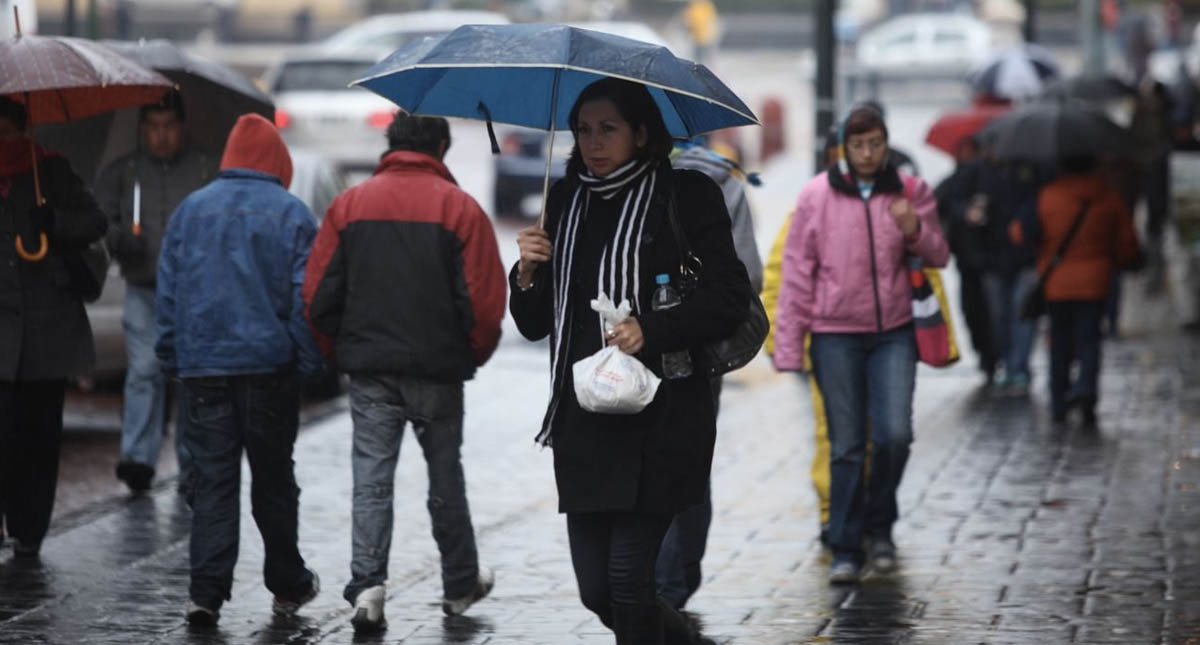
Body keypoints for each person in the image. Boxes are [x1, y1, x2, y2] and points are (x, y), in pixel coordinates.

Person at [510, 77, 750, 644]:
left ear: (642, 133)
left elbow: (728, 297)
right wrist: (526, 273)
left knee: (626, 580)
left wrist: (652, 329)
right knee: (598, 591)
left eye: (608, 129)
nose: (593, 143)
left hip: (661, 418)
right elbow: (534, 324)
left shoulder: (686, 196)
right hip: (584, 422)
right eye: (583, 130)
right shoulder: (565, 201)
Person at [303, 114, 505, 633]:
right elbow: (484, 305)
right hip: (438, 369)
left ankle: (368, 585)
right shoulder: (460, 209)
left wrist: (338, 350)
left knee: (371, 478)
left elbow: (318, 295)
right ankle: (459, 582)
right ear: (441, 147)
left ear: (391, 144)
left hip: (370, 368)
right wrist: (472, 354)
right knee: (445, 477)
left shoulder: (350, 205)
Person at [156, 114, 323, 626]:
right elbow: (305, 299)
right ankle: (288, 584)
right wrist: (307, 360)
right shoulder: (293, 215)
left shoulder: (190, 211)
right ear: (277, 162)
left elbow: (169, 292)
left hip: (204, 369)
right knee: (274, 481)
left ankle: (205, 593)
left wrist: (171, 355)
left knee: (212, 483)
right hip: (269, 369)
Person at [772, 105, 949, 584]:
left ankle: (880, 523)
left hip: (894, 332)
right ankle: (846, 545)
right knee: (847, 444)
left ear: (886, 144)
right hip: (834, 334)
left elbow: (939, 254)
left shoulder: (911, 191)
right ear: (843, 149)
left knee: (895, 435)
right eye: (857, 145)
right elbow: (796, 273)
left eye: (875, 144)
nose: (867, 154)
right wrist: (788, 346)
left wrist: (914, 229)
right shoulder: (816, 196)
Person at [654, 139, 763, 611]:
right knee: (688, 457)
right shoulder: (723, 176)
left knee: (667, 458)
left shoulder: (709, 183)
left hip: (684, 347)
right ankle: (674, 577)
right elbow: (749, 274)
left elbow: (740, 282)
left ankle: (666, 583)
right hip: (694, 347)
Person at [0, 96, 107, 557]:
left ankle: (30, 529)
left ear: (24, 131)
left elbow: (95, 221)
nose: (4, 141)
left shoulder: (51, 170)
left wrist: (56, 222)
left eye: (9, 132)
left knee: (39, 436)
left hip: (48, 332)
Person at [95, 89, 216, 493]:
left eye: (169, 127)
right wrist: (119, 241)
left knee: (189, 377)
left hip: (193, 294)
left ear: (182, 127)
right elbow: (100, 221)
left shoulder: (206, 170)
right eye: (153, 127)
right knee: (144, 371)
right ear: (142, 129)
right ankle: (138, 458)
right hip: (144, 289)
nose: (161, 136)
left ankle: (191, 461)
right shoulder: (125, 172)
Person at [1013, 155, 1141, 427]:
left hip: (1057, 283)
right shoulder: (1109, 198)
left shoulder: (1048, 196)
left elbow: (1020, 233)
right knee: (1090, 340)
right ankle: (1087, 392)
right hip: (1096, 282)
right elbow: (1127, 242)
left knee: (1059, 341)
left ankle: (1059, 399)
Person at [934, 136, 996, 383]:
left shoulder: (991, 178)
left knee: (990, 311)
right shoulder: (954, 183)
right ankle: (985, 354)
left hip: (988, 258)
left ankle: (992, 355)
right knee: (973, 310)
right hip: (967, 258)